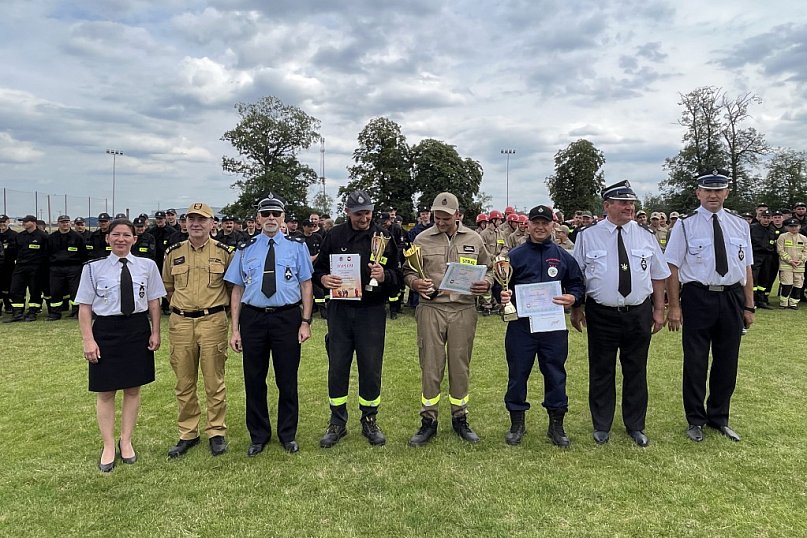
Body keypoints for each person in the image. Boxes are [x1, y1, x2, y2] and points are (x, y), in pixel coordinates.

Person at [571, 181, 670, 446]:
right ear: (606, 206)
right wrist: (577, 308)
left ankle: (635, 425)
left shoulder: (646, 234)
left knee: (636, 369)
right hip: (601, 313)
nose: (629, 207)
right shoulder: (587, 235)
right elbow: (577, 276)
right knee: (601, 369)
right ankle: (601, 424)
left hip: (638, 312)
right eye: (623, 202)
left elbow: (659, 276)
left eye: (632, 203)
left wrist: (659, 309)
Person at [666, 171, 754, 443]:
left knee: (727, 361)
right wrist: (674, 305)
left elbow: (747, 267)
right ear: (698, 193)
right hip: (697, 296)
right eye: (708, 191)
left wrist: (749, 305)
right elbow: (672, 266)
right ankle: (695, 420)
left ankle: (719, 417)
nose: (713, 195)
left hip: (731, 297)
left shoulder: (740, 224)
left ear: (727, 192)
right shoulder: (685, 225)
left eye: (719, 190)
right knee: (695, 360)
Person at [224, 194, 314, 456]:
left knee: (287, 379)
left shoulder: (297, 247)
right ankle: (259, 435)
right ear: (258, 219)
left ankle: (288, 434)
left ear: (284, 218)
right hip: (254, 319)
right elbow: (237, 289)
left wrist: (306, 321)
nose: (271, 218)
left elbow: (306, 285)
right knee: (254, 379)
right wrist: (235, 329)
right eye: (266, 214)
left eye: (276, 214)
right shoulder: (245, 248)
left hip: (287, 318)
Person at [403, 192, 493, 446]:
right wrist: (415, 283)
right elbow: (408, 270)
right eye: (436, 217)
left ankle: (460, 417)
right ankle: (428, 420)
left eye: (445, 218)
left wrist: (485, 284)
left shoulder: (474, 239)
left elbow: (490, 269)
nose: (440, 222)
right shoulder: (421, 238)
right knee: (431, 366)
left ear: (457, 215)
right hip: (431, 309)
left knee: (459, 366)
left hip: (463, 309)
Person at [313, 190, 401, 448]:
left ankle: (370, 419)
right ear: (347, 212)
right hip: (340, 311)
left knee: (370, 367)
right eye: (359, 213)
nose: (364, 218)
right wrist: (323, 280)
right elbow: (318, 268)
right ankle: (337, 421)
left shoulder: (384, 236)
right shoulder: (334, 234)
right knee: (338, 366)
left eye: (368, 212)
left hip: (371, 311)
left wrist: (385, 276)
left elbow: (397, 275)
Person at [75, 218, 165, 472]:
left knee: (133, 389)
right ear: (108, 238)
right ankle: (107, 445)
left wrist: (156, 331)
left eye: (127, 235)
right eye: (116, 235)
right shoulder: (93, 269)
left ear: (135, 239)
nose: (121, 239)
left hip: (136, 329)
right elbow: (85, 307)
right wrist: (88, 339)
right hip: (105, 331)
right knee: (105, 391)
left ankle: (126, 441)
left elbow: (154, 302)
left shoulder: (147, 266)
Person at [499, 205, 585, 447]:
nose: (540, 227)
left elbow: (578, 285)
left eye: (545, 222)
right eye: (535, 222)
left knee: (556, 373)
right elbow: (500, 285)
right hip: (521, 326)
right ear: (527, 224)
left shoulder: (563, 256)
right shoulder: (514, 256)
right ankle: (517, 423)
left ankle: (556, 425)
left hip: (553, 326)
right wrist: (502, 295)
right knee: (517, 374)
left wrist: (573, 298)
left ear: (553, 225)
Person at [163, 203, 234, 458]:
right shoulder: (173, 252)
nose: (196, 223)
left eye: (202, 219)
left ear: (212, 223)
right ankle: (188, 433)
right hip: (181, 322)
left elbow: (231, 288)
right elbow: (169, 287)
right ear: (185, 223)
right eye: (191, 219)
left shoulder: (225, 252)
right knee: (184, 381)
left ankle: (216, 431)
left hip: (213, 321)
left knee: (214, 381)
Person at [5, 215, 49, 322]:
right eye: (23, 222)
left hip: (36, 268)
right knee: (15, 289)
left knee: (35, 290)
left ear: (33, 222)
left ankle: (33, 312)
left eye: (26, 221)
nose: (23, 223)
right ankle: (17, 313)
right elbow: (14, 251)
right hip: (20, 267)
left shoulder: (43, 237)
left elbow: (47, 253)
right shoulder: (19, 236)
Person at [46, 215, 87, 320]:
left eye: (67, 222)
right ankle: (55, 313)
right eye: (63, 222)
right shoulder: (51, 237)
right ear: (58, 223)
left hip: (73, 267)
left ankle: (76, 312)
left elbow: (83, 253)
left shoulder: (77, 237)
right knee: (55, 291)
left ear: (70, 223)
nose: (65, 224)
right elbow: (47, 253)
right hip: (56, 268)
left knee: (75, 291)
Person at [776, 218, 807, 309]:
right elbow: (780, 250)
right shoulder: (782, 236)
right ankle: (783, 303)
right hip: (786, 265)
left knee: (798, 285)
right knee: (787, 284)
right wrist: (789, 260)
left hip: (800, 266)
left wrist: (801, 260)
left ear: (799, 227)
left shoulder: (804, 238)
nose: (793, 228)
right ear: (787, 227)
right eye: (791, 226)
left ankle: (793, 303)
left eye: (795, 226)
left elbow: (805, 251)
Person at [750, 210, 775, 309]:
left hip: (768, 256)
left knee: (764, 278)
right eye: (764, 217)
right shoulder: (753, 227)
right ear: (760, 217)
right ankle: (752, 300)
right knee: (754, 278)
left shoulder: (772, 229)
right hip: (756, 255)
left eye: (768, 218)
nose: (766, 220)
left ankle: (761, 300)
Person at [0, 214, 19, 313]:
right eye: (0, 222)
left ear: (8, 222)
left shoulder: (14, 235)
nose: (2, 224)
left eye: (4, 222)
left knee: (8, 287)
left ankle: (9, 306)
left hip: (9, 265)